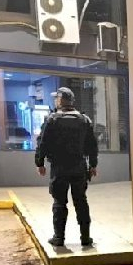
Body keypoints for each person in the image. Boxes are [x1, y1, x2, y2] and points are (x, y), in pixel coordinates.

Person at [34, 87, 98, 247]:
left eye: (57, 98)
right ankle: (85, 237)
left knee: (59, 202)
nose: (56, 100)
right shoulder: (84, 120)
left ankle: (59, 238)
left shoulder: (52, 119)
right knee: (81, 201)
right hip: (79, 167)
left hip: (59, 168)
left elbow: (43, 143)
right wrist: (93, 165)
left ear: (61, 100)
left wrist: (40, 162)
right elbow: (92, 145)